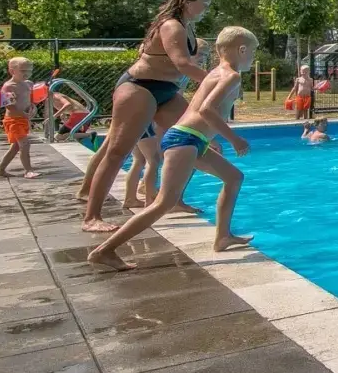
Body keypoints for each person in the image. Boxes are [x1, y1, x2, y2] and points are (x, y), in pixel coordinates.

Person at [87, 26, 256, 271]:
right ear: (241, 50)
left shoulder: (215, 73)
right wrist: (234, 139)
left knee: (234, 177)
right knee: (164, 202)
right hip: (185, 140)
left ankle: (222, 236)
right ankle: (105, 250)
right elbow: (206, 110)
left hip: (191, 139)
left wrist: (210, 139)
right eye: (252, 52)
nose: (252, 57)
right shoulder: (231, 76)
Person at [79, 0, 213, 232]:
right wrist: (217, 82)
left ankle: (173, 200)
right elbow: (183, 64)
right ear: (186, 1)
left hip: (167, 91)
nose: (206, 8)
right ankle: (91, 217)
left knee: (196, 139)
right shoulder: (171, 25)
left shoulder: (187, 26)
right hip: (139, 88)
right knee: (117, 152)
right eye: (203, 3)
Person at [0, 57, 39, 179]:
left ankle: (0, 169)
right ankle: (28, 171)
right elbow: (9, 105)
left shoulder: (29, 83)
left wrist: (32, 108)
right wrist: (24, 114)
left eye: (29, 70)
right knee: (25, 144)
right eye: (23, 70)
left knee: (16, 147)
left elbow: (28, 100)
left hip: (23, 119)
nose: (27, 73)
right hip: (13, 120)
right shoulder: (9, 86)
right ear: (12, 71)